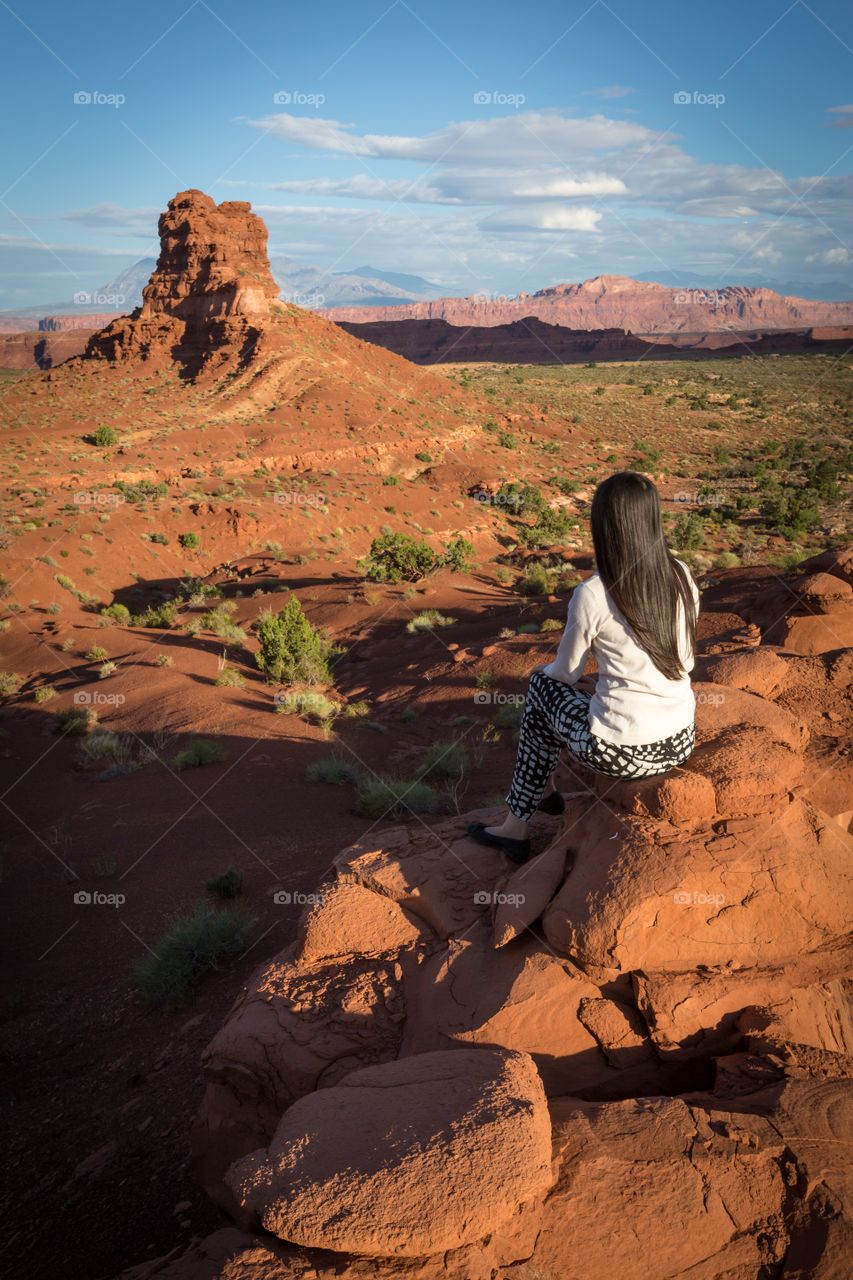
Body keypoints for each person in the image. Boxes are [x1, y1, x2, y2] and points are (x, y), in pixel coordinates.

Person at [469, 471, 700, 864]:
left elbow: (565, 674)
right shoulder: (680, 572)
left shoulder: (593, 593)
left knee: (542, 687)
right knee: (569, 694)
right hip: (679, 738)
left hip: (623, 749)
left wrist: (546, 673)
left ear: (606, 527)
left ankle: (517, 825)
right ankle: (540, 796)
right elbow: (679, 657)